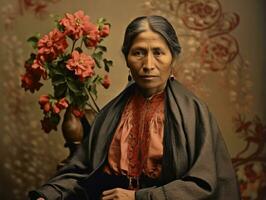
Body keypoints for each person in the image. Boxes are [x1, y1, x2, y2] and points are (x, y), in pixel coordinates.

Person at [29, 15, 240, 200]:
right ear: (127, 59)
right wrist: (48, 195)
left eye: (158, 52)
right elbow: (81, 171)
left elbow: (205, 185)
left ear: (172, 58)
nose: (148, 64)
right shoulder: (111, 113)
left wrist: (139, 197)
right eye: (138, 53)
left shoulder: (194, 113)